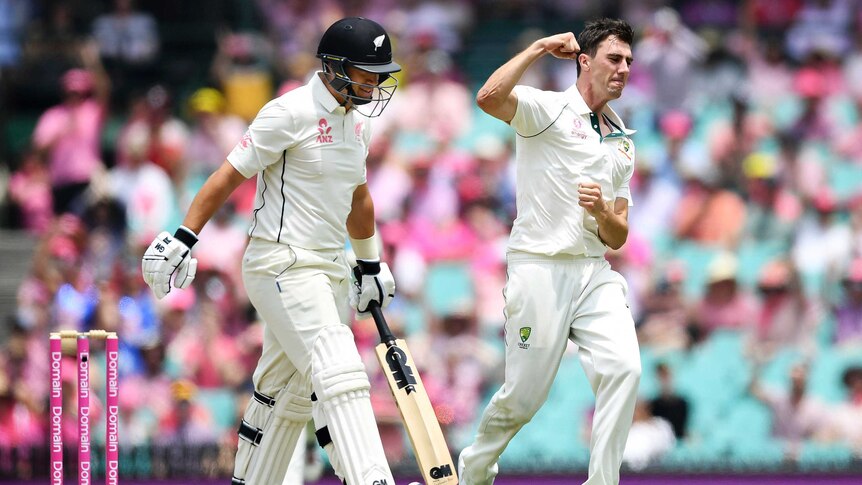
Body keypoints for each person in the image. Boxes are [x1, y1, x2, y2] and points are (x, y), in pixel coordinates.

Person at [141, 17, 404, 485]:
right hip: (281, 263)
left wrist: (369, 262)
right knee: (337, 365)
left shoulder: (357, 124)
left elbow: (358, 197)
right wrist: (183, 237)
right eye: (367, 72)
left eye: (379, 73)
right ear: (335, 66)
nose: (376, 82)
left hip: (327, 271)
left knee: (286, 393)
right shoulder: (289, 112)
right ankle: (372, 478)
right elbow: (228, 174)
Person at [458, 18, 641, 485]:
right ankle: (475, 469)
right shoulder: (547, 108)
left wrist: (601, 210)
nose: (623, 69)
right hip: (539, 267)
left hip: (592, 270)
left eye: (628, 62)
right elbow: (487, 98)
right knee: (524, 398)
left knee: (625, 368)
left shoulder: (623, 141)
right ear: (584, 60)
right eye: (613, 59)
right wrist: (539, 47)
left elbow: (617, 236)